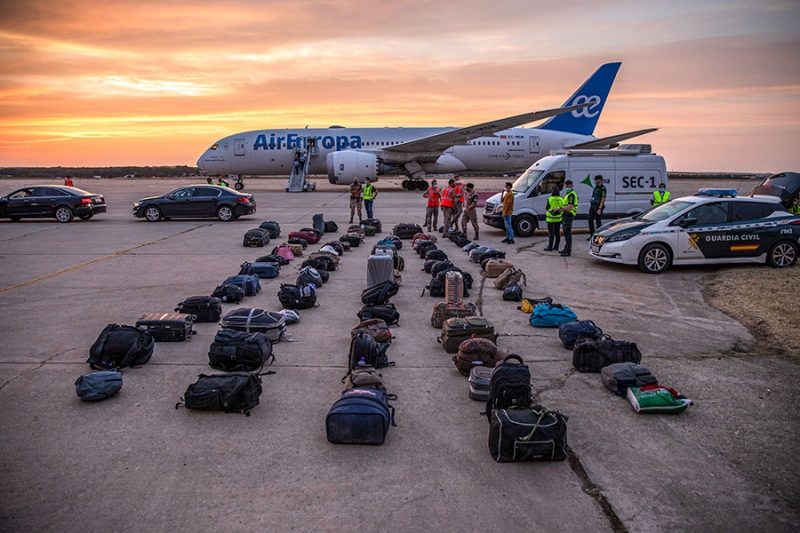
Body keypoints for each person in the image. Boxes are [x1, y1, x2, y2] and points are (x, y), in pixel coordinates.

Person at [559, 180, 578, 256]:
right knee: (566, 232)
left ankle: (568, 250)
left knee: (567, 233)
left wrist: (561, 209)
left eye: (569, 186)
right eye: (566, 186)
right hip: (566, 215)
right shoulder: (568, 194)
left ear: (572, 186)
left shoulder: (571, 195)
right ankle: (566, 248)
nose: (567, 187)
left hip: (569, 215)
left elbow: (570, 207)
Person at [543, 186, 563, 252]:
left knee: (551, 233)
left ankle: (550, 247)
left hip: (551, 219)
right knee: (558, 233)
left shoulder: (550, 199)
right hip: (558, 218)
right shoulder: (561, 199)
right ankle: (556, 247)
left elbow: (547, 207)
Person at [588, 175, 606, 239]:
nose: (595, 181)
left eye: (596, 180)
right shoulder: (596, 187)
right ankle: (592, 235)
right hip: (593, 205)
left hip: (598, 206)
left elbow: (603, 198)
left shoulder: (602, 188)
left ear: (600, 180)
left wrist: (600, 208)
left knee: (598, 221)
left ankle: (598, 236)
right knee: (590, 220)